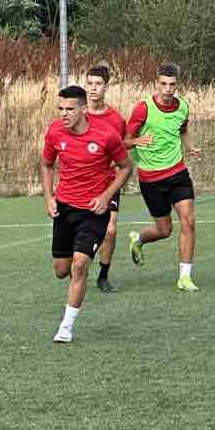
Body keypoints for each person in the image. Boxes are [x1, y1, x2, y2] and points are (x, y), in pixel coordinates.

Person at [40, 86, 130, 343]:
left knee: (79, 265)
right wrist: (49, 197)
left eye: (70, 109)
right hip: (64, 209)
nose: (64, 114)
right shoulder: (54, 132)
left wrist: (106, 196)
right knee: (61, 270)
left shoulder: (106, 135)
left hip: (93, 211)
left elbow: (125, 167)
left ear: (82, 108)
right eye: (60, 109)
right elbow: (46, 164)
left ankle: (65, 328)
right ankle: (76, 283)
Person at [125, 62, 202, 292]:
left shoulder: (183, 107)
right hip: (150, 179)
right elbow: (124, 140)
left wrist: (190, 147)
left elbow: (183, 129)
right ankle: (139, 240)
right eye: (164, 84)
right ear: (156, 84)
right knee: (164, 230)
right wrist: (136, 141)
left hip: (177, 172)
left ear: (177, 85)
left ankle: (185, 277)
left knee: (188, 220)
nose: (168, 89)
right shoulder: (143, 109)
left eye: (172, 84)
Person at [83, 63, 128, 292]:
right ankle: (79, 266)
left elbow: (122, 149)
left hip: (107, 182)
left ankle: (103, 275)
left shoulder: (116, 120)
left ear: (106, 87)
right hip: (81, 182)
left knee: (110, 229)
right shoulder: (78, 115)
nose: (93, 88)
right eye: (90, 83)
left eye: (98, 84)